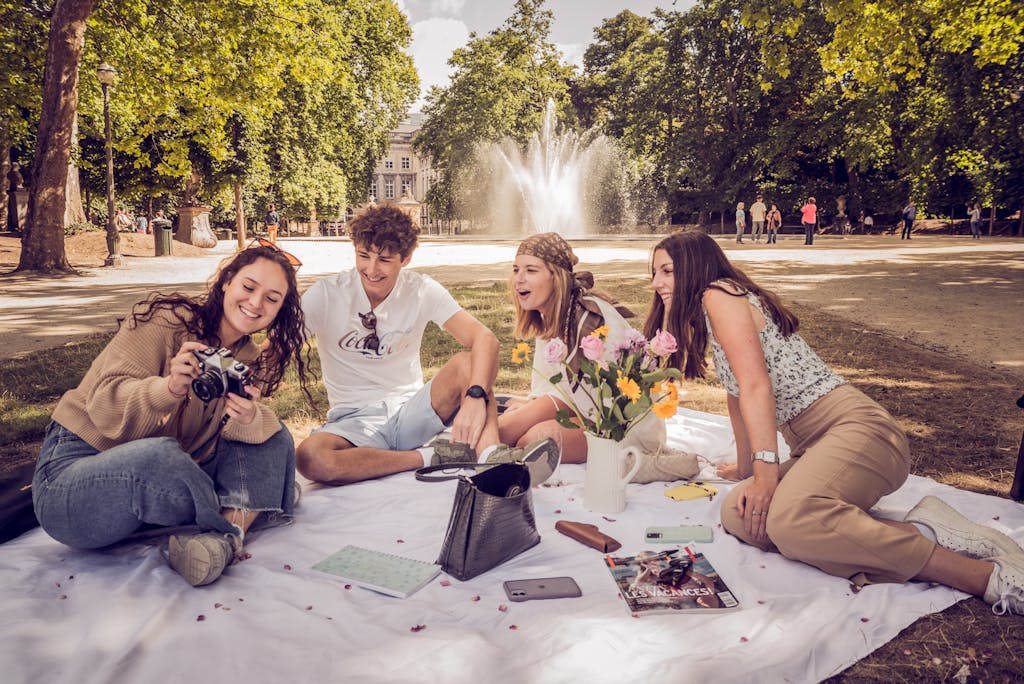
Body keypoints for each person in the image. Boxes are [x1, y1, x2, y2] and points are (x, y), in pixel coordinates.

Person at [644, 230, 1024, 616]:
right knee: (739, 514)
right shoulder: (715, 306)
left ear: (694, 267)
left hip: (861, 432)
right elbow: (738, 395)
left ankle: (983, 577)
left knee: (790, 521)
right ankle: (925, 532)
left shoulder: (717, 293)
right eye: (654, 272)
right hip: (817, 446)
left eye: (667, 271)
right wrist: (746, 472)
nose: (656, 283)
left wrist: (764, 474)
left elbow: (757, 386)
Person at [32, 244, 312, 587]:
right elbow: (103, 406)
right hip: (75, 482)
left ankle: (222, 541)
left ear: (280, 310)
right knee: (160, 456)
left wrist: (249, 416)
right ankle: (245, 512)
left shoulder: (240, 360)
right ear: (226, 282)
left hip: (156, 489)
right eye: (249, 287)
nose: (256, 303)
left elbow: (248, 438)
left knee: (272, 433)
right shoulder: (166, 320)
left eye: (272, 298)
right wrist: (167, 389)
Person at [296, 205, 557, 487]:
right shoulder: (326, 293)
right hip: (353, 422)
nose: (371, 270)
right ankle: (432, 457)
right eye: (363, 256)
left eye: (384, 260)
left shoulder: (421, 289)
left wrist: (474, 396)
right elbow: (279, 346)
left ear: (405, 258)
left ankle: (493, 461)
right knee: (311, 457)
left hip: (411, 412)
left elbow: (486, 339)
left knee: (469, 364)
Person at [497, 232, 698, 482]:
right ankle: (481, 451)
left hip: (619, 426)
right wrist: (532, 406)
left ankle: (484, 456)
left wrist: (534, 410)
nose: (519, 279)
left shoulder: (588, 319)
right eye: (516, 270)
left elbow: (599, 398)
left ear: (556, 278)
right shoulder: (548, 313)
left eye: (531, 270)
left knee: (531, 437)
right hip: (580, 409)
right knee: (511, 420)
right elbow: (554, 386)